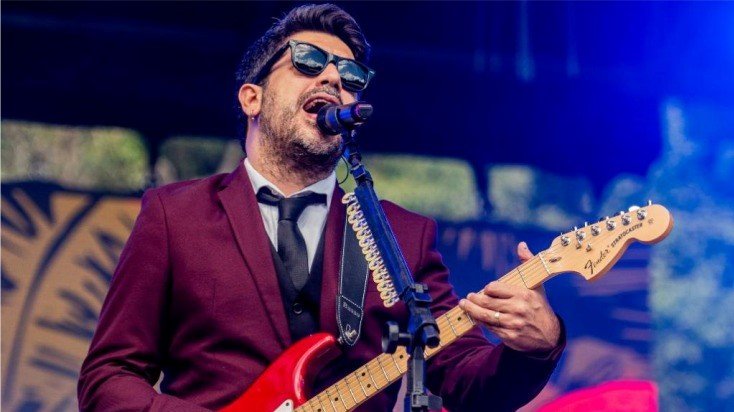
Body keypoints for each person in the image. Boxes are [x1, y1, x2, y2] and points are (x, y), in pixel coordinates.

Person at [78, 4, 564, 411]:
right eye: (308, 61)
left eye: (352, 76)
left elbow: (465, 380)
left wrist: (538, 347)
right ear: (252, 98)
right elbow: (109, 377)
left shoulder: (402, 235)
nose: (334, 77)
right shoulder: (175, 215)